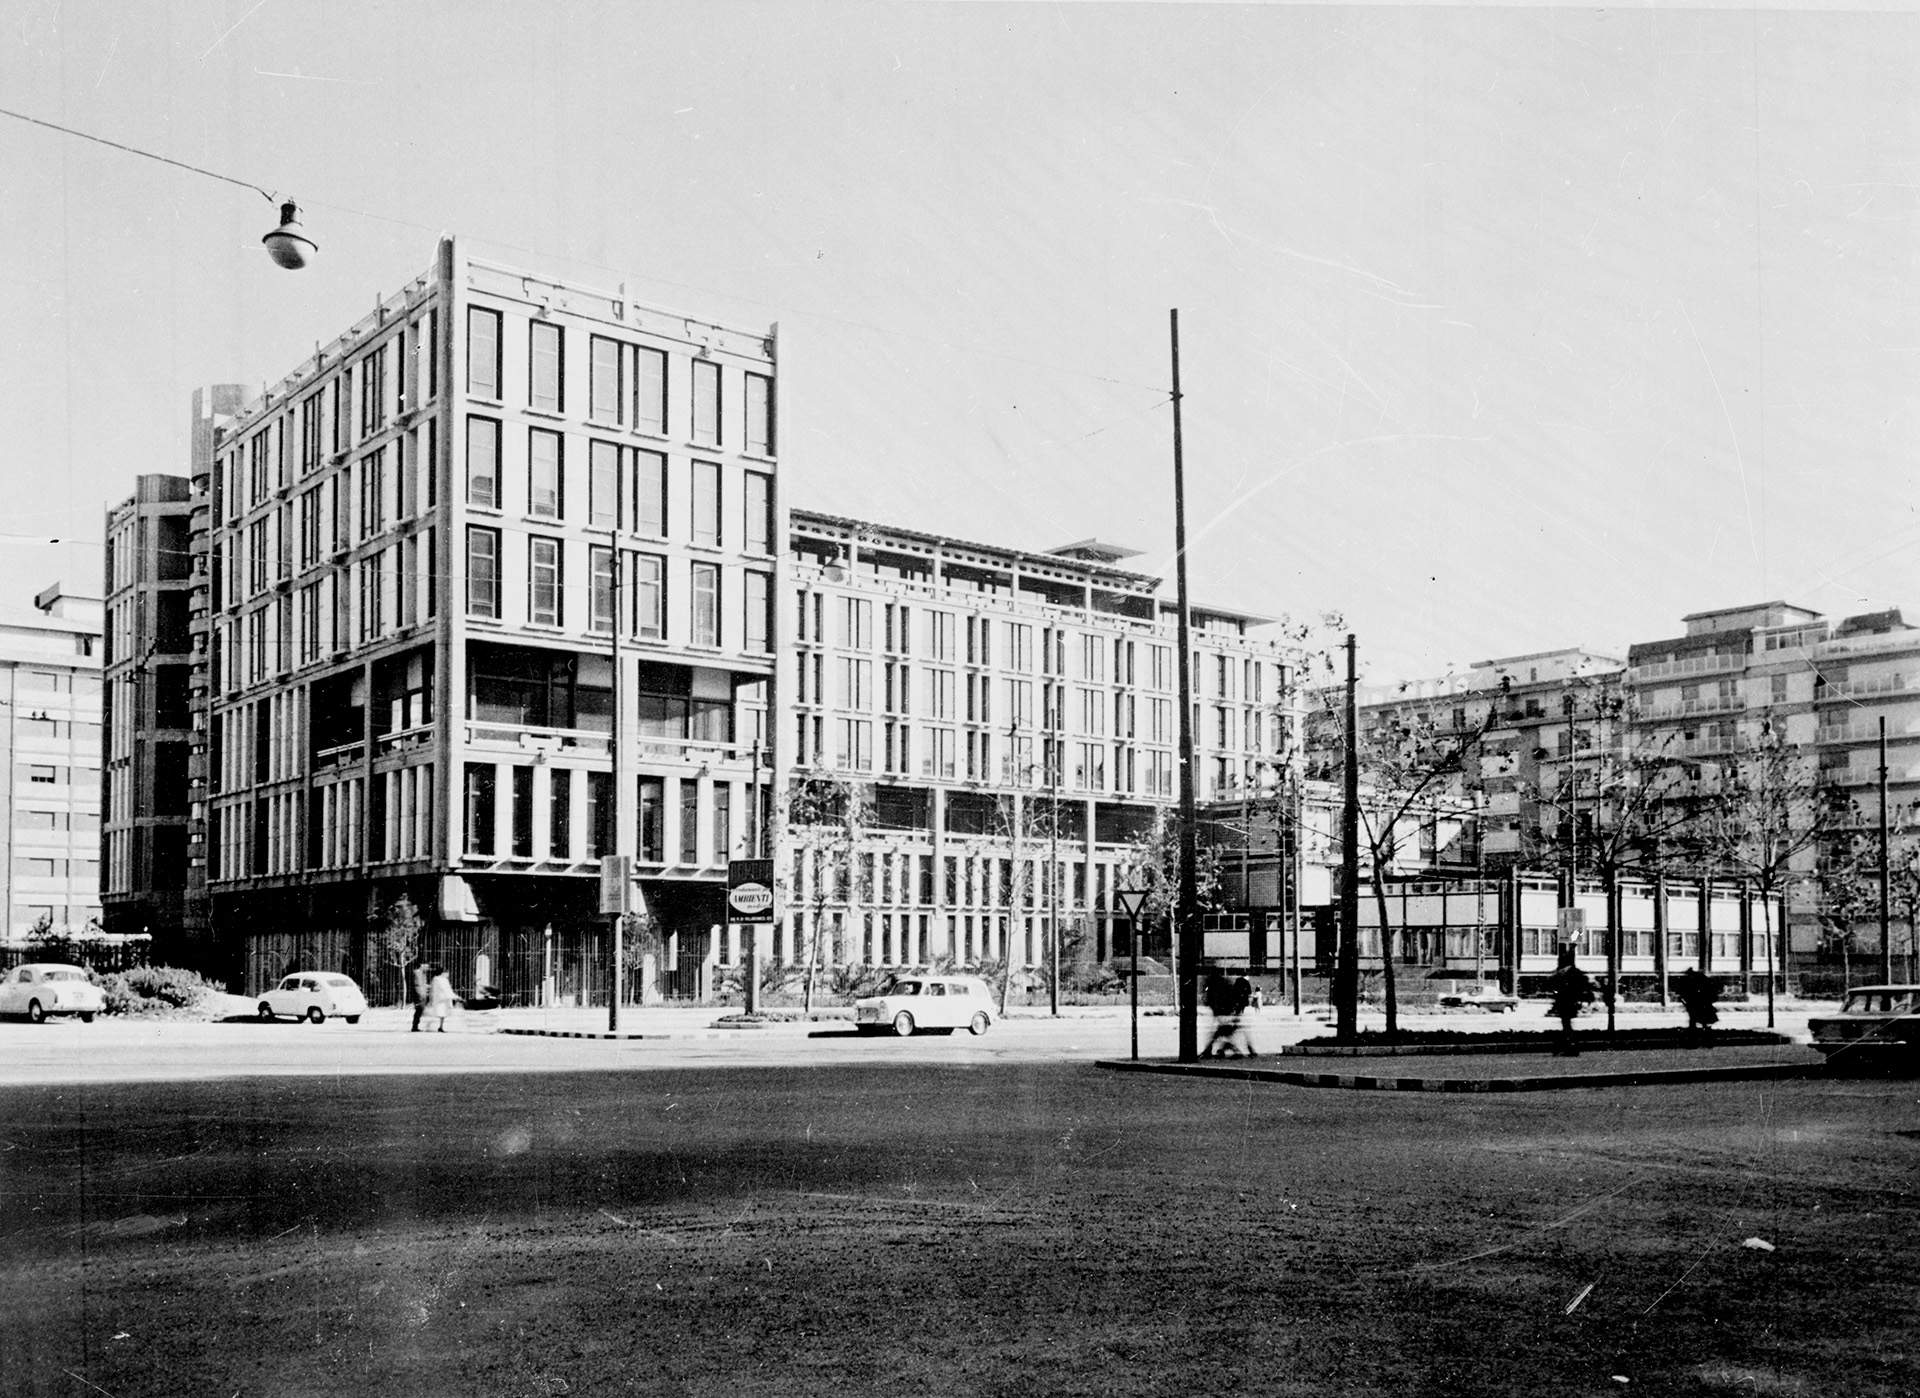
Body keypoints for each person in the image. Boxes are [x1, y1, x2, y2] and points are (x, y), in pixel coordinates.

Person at [1545, 947, 1595, 1057]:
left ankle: (1567, 1047)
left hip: (1564, 1003)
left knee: (1566, 1025)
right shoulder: (1575, 972)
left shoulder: (1562, 973)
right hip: (1571, 1003)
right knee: (1566, 1025)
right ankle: (1565, 1047)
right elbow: (1585, 986)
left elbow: (1550, 984)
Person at [1675, 967, 1720, 1043]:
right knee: (1701, 1020)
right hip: (1700, 1003)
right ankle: (1704, 1036)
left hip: (1698, 1004)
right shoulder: (1702, 980)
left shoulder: (1696, 981)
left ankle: (1696, 1037)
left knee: (1695, 1019)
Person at [1202, 965, 1239, 1057]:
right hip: (1227, 1014)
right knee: (1221, 1033)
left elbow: (1211, 1000)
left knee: (1219, 1033)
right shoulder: (1223, 983)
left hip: (1225, 1015)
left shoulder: (1215, 984)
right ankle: (1234, 1049)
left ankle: (1234, 1050)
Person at [421, 963, 456, 1033]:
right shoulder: (442, 980)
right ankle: (435, 1026)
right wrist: (454, 996)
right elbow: (446, 989)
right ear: (443, 973)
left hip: (439, 998)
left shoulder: (436, 979)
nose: (448, 974)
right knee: (440, 1013)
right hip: (442, 999)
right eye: (447, 973)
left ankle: (439, 1026)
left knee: (440, 1014)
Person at [407, 954, 431, 1032]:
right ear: (421, 965)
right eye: (426, 965)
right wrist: (420, 995)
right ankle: (414, 1026)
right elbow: (417, 985)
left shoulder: (421, 973)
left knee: (420, 1010)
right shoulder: (417, 973)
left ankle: (415, 1026)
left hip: (421, 994)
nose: (427, 967)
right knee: (419, 1010)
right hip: (419, 995)